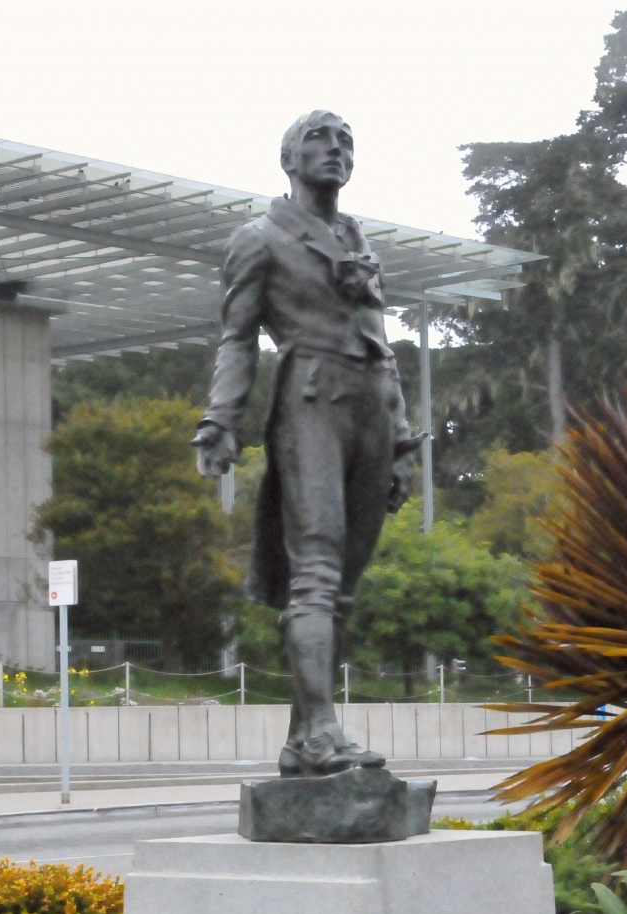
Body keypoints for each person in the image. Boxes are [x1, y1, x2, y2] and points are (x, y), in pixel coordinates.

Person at [192, 110, 419, 777]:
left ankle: (306, 737)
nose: (335, 151)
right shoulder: (259, 237)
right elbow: (236, 338)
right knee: (316, 572)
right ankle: (320, 730)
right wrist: (220, 419)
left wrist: (402, 443)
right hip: (310, 398)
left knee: (344, 588)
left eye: (346, 142)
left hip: (371, 408)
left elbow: (385, 346)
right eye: (320, 141)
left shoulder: (358, 240)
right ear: (288, 158)